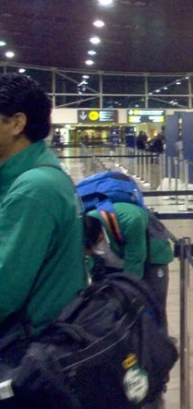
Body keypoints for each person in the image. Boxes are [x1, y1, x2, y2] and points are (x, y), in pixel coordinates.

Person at [0, 74, 86, 341]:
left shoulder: (34, 188)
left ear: (16, 123)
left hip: (27, 346)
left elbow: (4, 290)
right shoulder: (37, 169)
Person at [83, 201, 174, 330]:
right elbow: (92, 264)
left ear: (99, 237)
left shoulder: (130, 220)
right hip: (116, 260)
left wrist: (128, 294)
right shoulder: (86, 223)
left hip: (152, 259)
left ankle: (158, 343)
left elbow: (135, 260)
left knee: (153, 305)